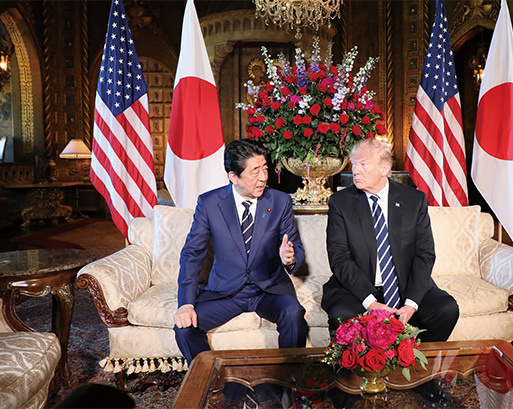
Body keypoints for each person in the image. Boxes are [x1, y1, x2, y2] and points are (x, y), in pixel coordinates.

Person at [322, 138, 459, 403]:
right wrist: (371, 303)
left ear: (384, 168)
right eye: (353, 164)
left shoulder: (413, 200)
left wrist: (411, 304)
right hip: (358, 288)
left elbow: (424, 254)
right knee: (343, 314)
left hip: (404, 285)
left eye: (363, 164)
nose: (355, 170)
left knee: (446, 309)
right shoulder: (341, 202)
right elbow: (339, 259)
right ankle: (347, 383)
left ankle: (419, 374)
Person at [174, 139, 308, 365]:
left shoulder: (279, 201)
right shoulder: (210, 203)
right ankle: (211, 380)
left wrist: (290, 258)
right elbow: (192, 253)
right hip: (225, 292)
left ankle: (290, 381)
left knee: (294, 314)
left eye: (265, 169)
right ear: (233, 177)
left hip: (268, 289)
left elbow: (295, 247)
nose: (263, 177)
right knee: (185, 329)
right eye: (255, 172)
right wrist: (185, 303)